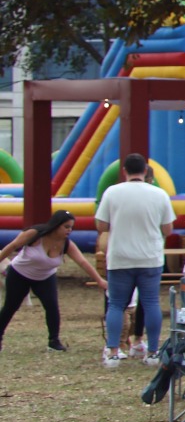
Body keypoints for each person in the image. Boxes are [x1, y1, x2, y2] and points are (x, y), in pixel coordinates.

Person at [95, 154, 175, 369]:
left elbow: (101, 225)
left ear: (124, 170)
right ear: (146, 171)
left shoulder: (112, 192)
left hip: (120, 256)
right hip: (150, 257)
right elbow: (168, 229)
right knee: (150, 303)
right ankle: (152, 351)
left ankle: (113, 352)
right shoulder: (160, 194)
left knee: (116, 304)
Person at [0, 210, 105, 355]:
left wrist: (99, 280)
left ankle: (54, 341)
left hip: (45, 277)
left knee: (52, 307)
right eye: (66, 227)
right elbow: (11, 246)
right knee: (10, 307)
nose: (69, 230)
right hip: (19, 274)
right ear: (56, 225)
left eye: (71, 227)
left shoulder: (66, 244)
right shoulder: (35, 234)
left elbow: (82, 262)